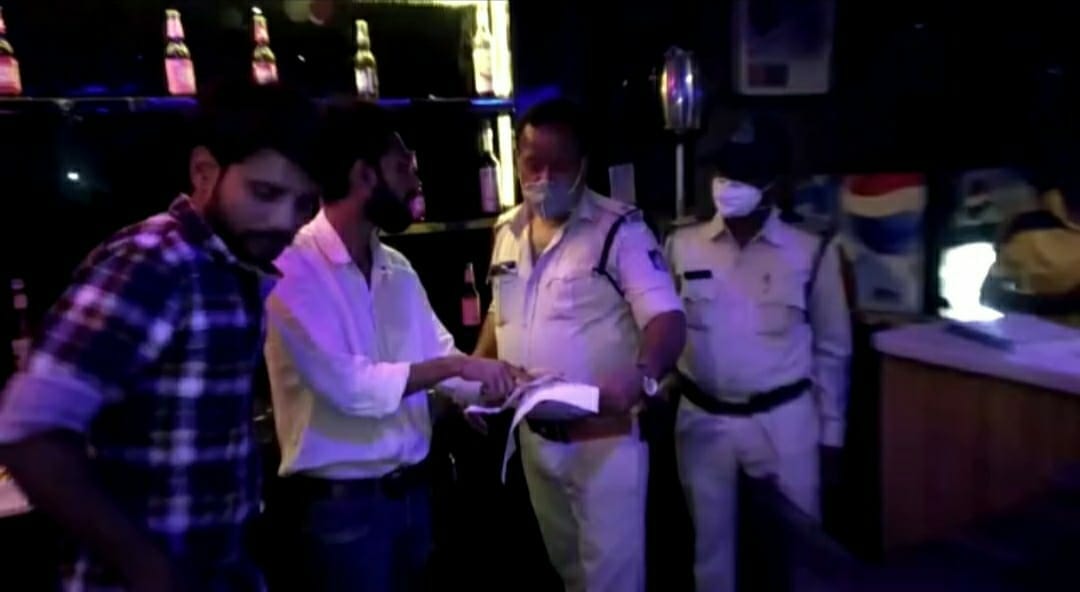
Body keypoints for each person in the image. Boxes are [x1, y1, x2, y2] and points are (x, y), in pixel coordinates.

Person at [0, 80, 322, 592]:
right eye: (265, 193)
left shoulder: (229, 268)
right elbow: (29, 433)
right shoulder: (156, 262)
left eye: (304, 203)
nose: (287, 221)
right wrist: (146, 566)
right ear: (204, 171)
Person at [263, 102, 523, 592]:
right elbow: (350, 386)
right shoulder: (293, 267)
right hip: (342, 512)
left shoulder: (396, 267)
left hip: (415, 496)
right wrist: (458, 367)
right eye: (404, 168)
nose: (416, 183)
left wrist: (509, 385)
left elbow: (443, 355)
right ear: (364, 176)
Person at [474, 98, 686, 592]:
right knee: (569, 575)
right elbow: (500, 312)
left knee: (612, 584)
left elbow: (667, 318)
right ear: (516, 158)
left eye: (560, 165)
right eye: (533, 164)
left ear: (583, 165)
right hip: (535, 440)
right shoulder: (505, 231)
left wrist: (643, 373)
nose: (544, 177)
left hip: (604, 442)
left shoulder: (620, 229)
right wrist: (476, 369)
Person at [665, 115, 852, 592]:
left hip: (784, 419)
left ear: (774, 183)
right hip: (704, 418)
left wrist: (832, 434)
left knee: (800, 551)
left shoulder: (811, 249)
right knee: (711, 554)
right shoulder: (682, 245)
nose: (729, 185)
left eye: (744, 174)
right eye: (724, 171)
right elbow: (662, 329)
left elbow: (833, 349)